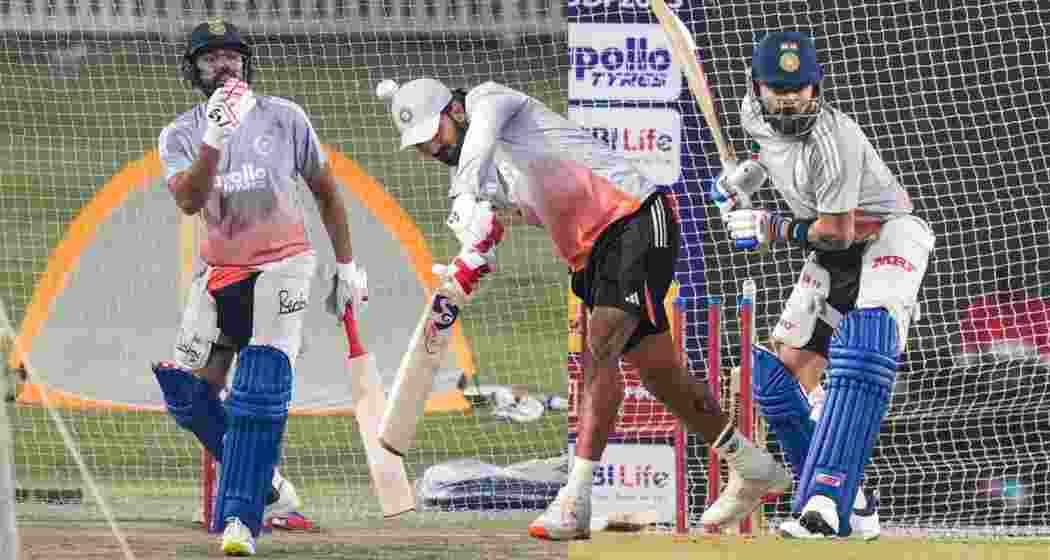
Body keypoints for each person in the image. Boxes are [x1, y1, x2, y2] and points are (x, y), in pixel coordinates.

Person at [376, 77, 791, 540]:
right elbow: (513, 215)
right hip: (589, 253)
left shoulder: (488, 101)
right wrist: (478, 250)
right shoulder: (478, 175)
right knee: (659, 376)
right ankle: (751, 464)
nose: (430, 150)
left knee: (599, 348)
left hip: (632, 216)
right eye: (418, 146)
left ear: (454, 111)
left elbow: (477, 150)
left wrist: (466, 200)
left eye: (433, 135)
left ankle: (574, 499)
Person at [155, 19, 367, 555]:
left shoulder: (285, 117)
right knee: (185, 395)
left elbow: (326, 191)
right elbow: (188, 201)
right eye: (210, 59)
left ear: (246, 63)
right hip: (221, 271)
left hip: (284, 264)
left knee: (260, 388)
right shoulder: (178, 135)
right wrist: (213, 139)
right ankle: (269, 486)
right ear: (194, 70)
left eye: (232, 56)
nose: (223, 65)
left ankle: (239, 521)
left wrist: (346, 265)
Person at [712, 31, 935, 538]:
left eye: (800, 88)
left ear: (816, 87)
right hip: (833, 253)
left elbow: (835, 232)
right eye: (777, 88)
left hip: (884, 233)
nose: (789, 97)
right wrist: (740, 181)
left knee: (864, 346)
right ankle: (857, 504)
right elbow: (769, 156)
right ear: (757, 88)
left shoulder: (834, 140)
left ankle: (824, 501)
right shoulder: (752, 113)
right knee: (775, 379)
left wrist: (770, 226)